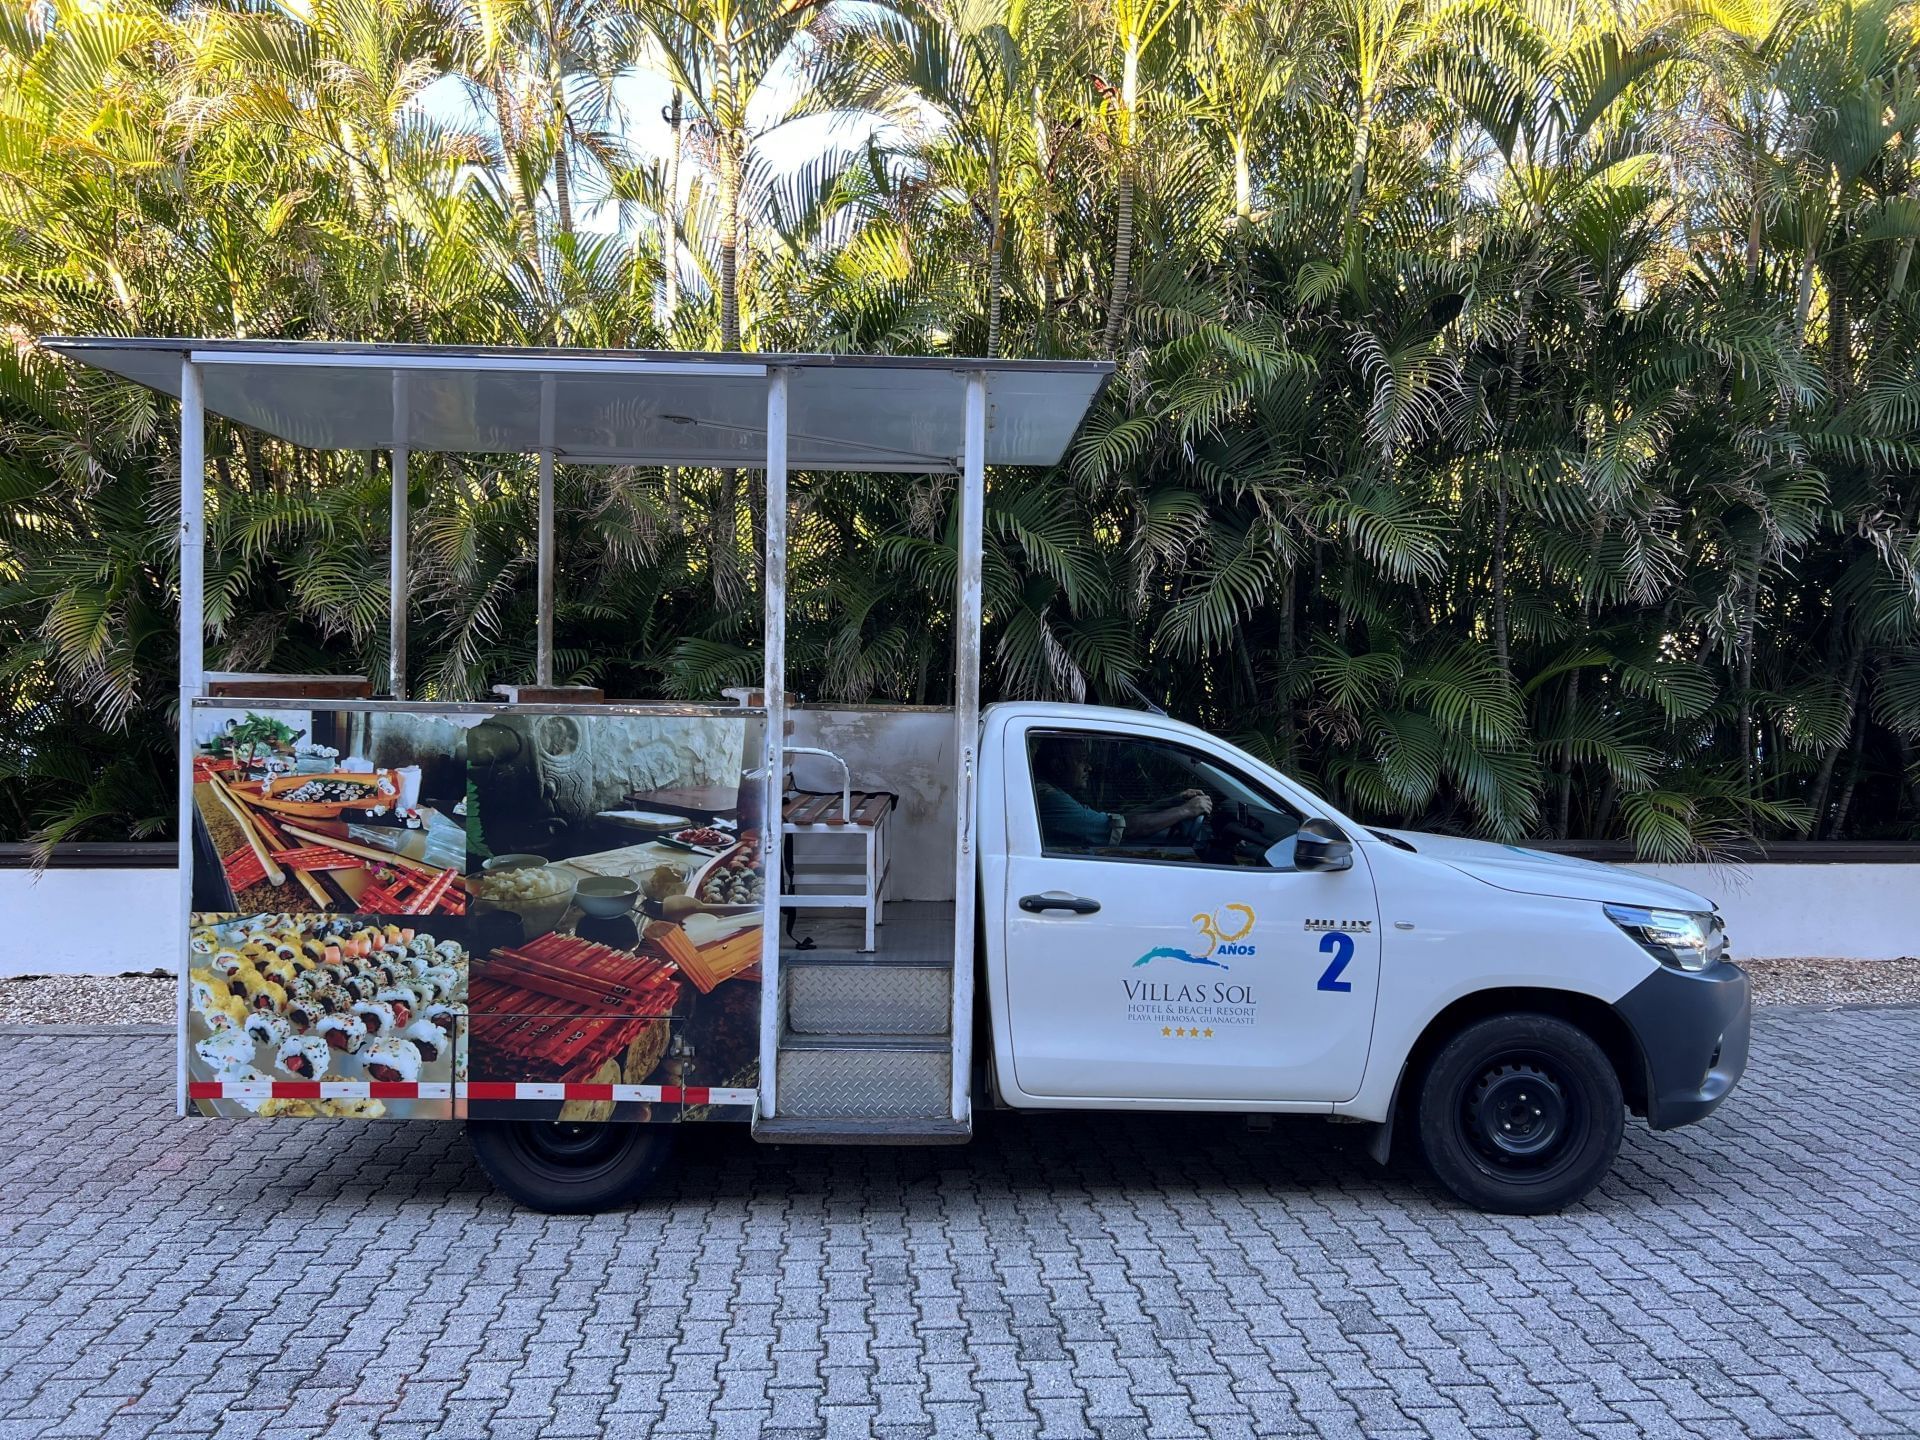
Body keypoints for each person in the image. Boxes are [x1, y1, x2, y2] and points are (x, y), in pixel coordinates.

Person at [1033, 740, 1213, 849]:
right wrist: (1185, 811)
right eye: (1081, 760)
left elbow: (1117, 820)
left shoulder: (1047, 793)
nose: (1089, 767)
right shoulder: (1050, 800)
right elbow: (1121, 828)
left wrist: (1173, 802)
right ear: (1057, 766)